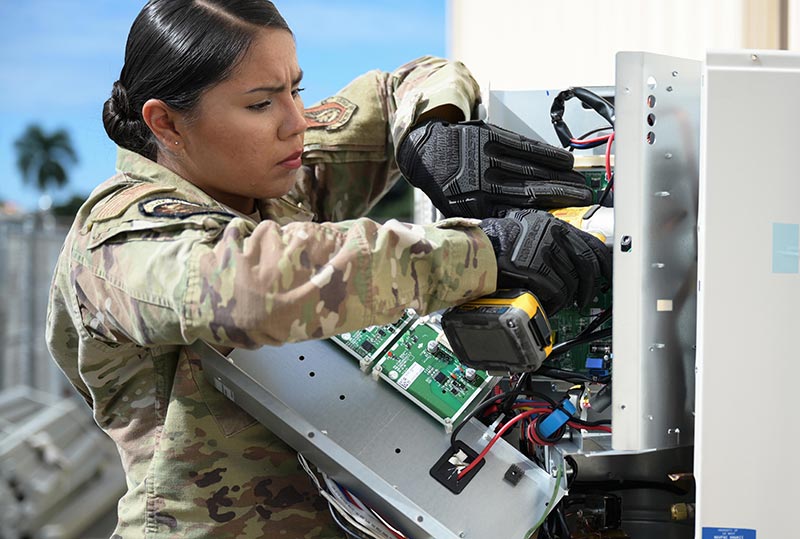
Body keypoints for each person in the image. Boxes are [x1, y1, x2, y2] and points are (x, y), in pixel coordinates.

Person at [45, 1, 610, 537]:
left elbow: (401, 85)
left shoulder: (267, 172)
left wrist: (433, 131)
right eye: (262, 103)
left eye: (298, 89)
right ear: (166, 124)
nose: (297, 123)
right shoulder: (120, 239)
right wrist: (483, 251)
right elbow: (254, 287)